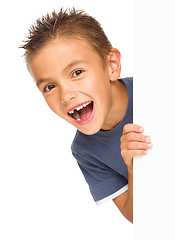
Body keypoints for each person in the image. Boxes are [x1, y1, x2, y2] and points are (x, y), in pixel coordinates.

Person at [20, 8, 152, 223]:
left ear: (112, 65)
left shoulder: (156, 89)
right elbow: (137, 217)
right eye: (50, 86)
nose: (66, 95)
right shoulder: (85, 150)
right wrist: (135, 167)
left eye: (77, 72)